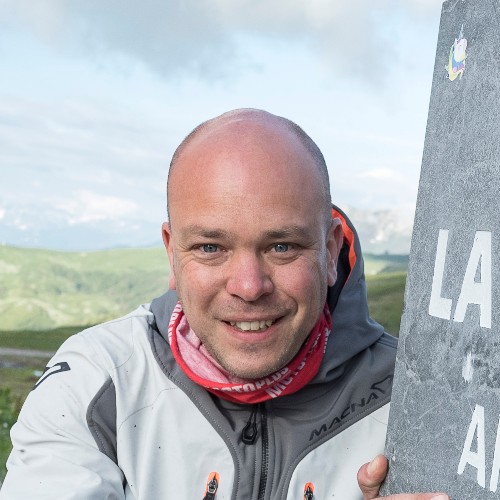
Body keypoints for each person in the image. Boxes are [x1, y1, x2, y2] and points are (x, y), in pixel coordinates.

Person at [0, 109, 448, 499]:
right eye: (211, 248)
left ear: (329, 253)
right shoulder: (96, 383)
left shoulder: (424, 401)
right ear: (172, 254)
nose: (249, 287)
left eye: (282, 246)